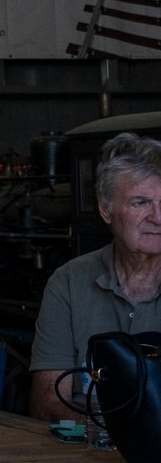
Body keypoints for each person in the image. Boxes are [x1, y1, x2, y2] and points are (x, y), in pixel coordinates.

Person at [31, 132, 161, 419]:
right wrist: (117, 432)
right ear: (105, 210)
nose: (158, 217)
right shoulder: (68, 283)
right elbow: (48, 402)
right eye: (141, 203)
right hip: (88, 453)